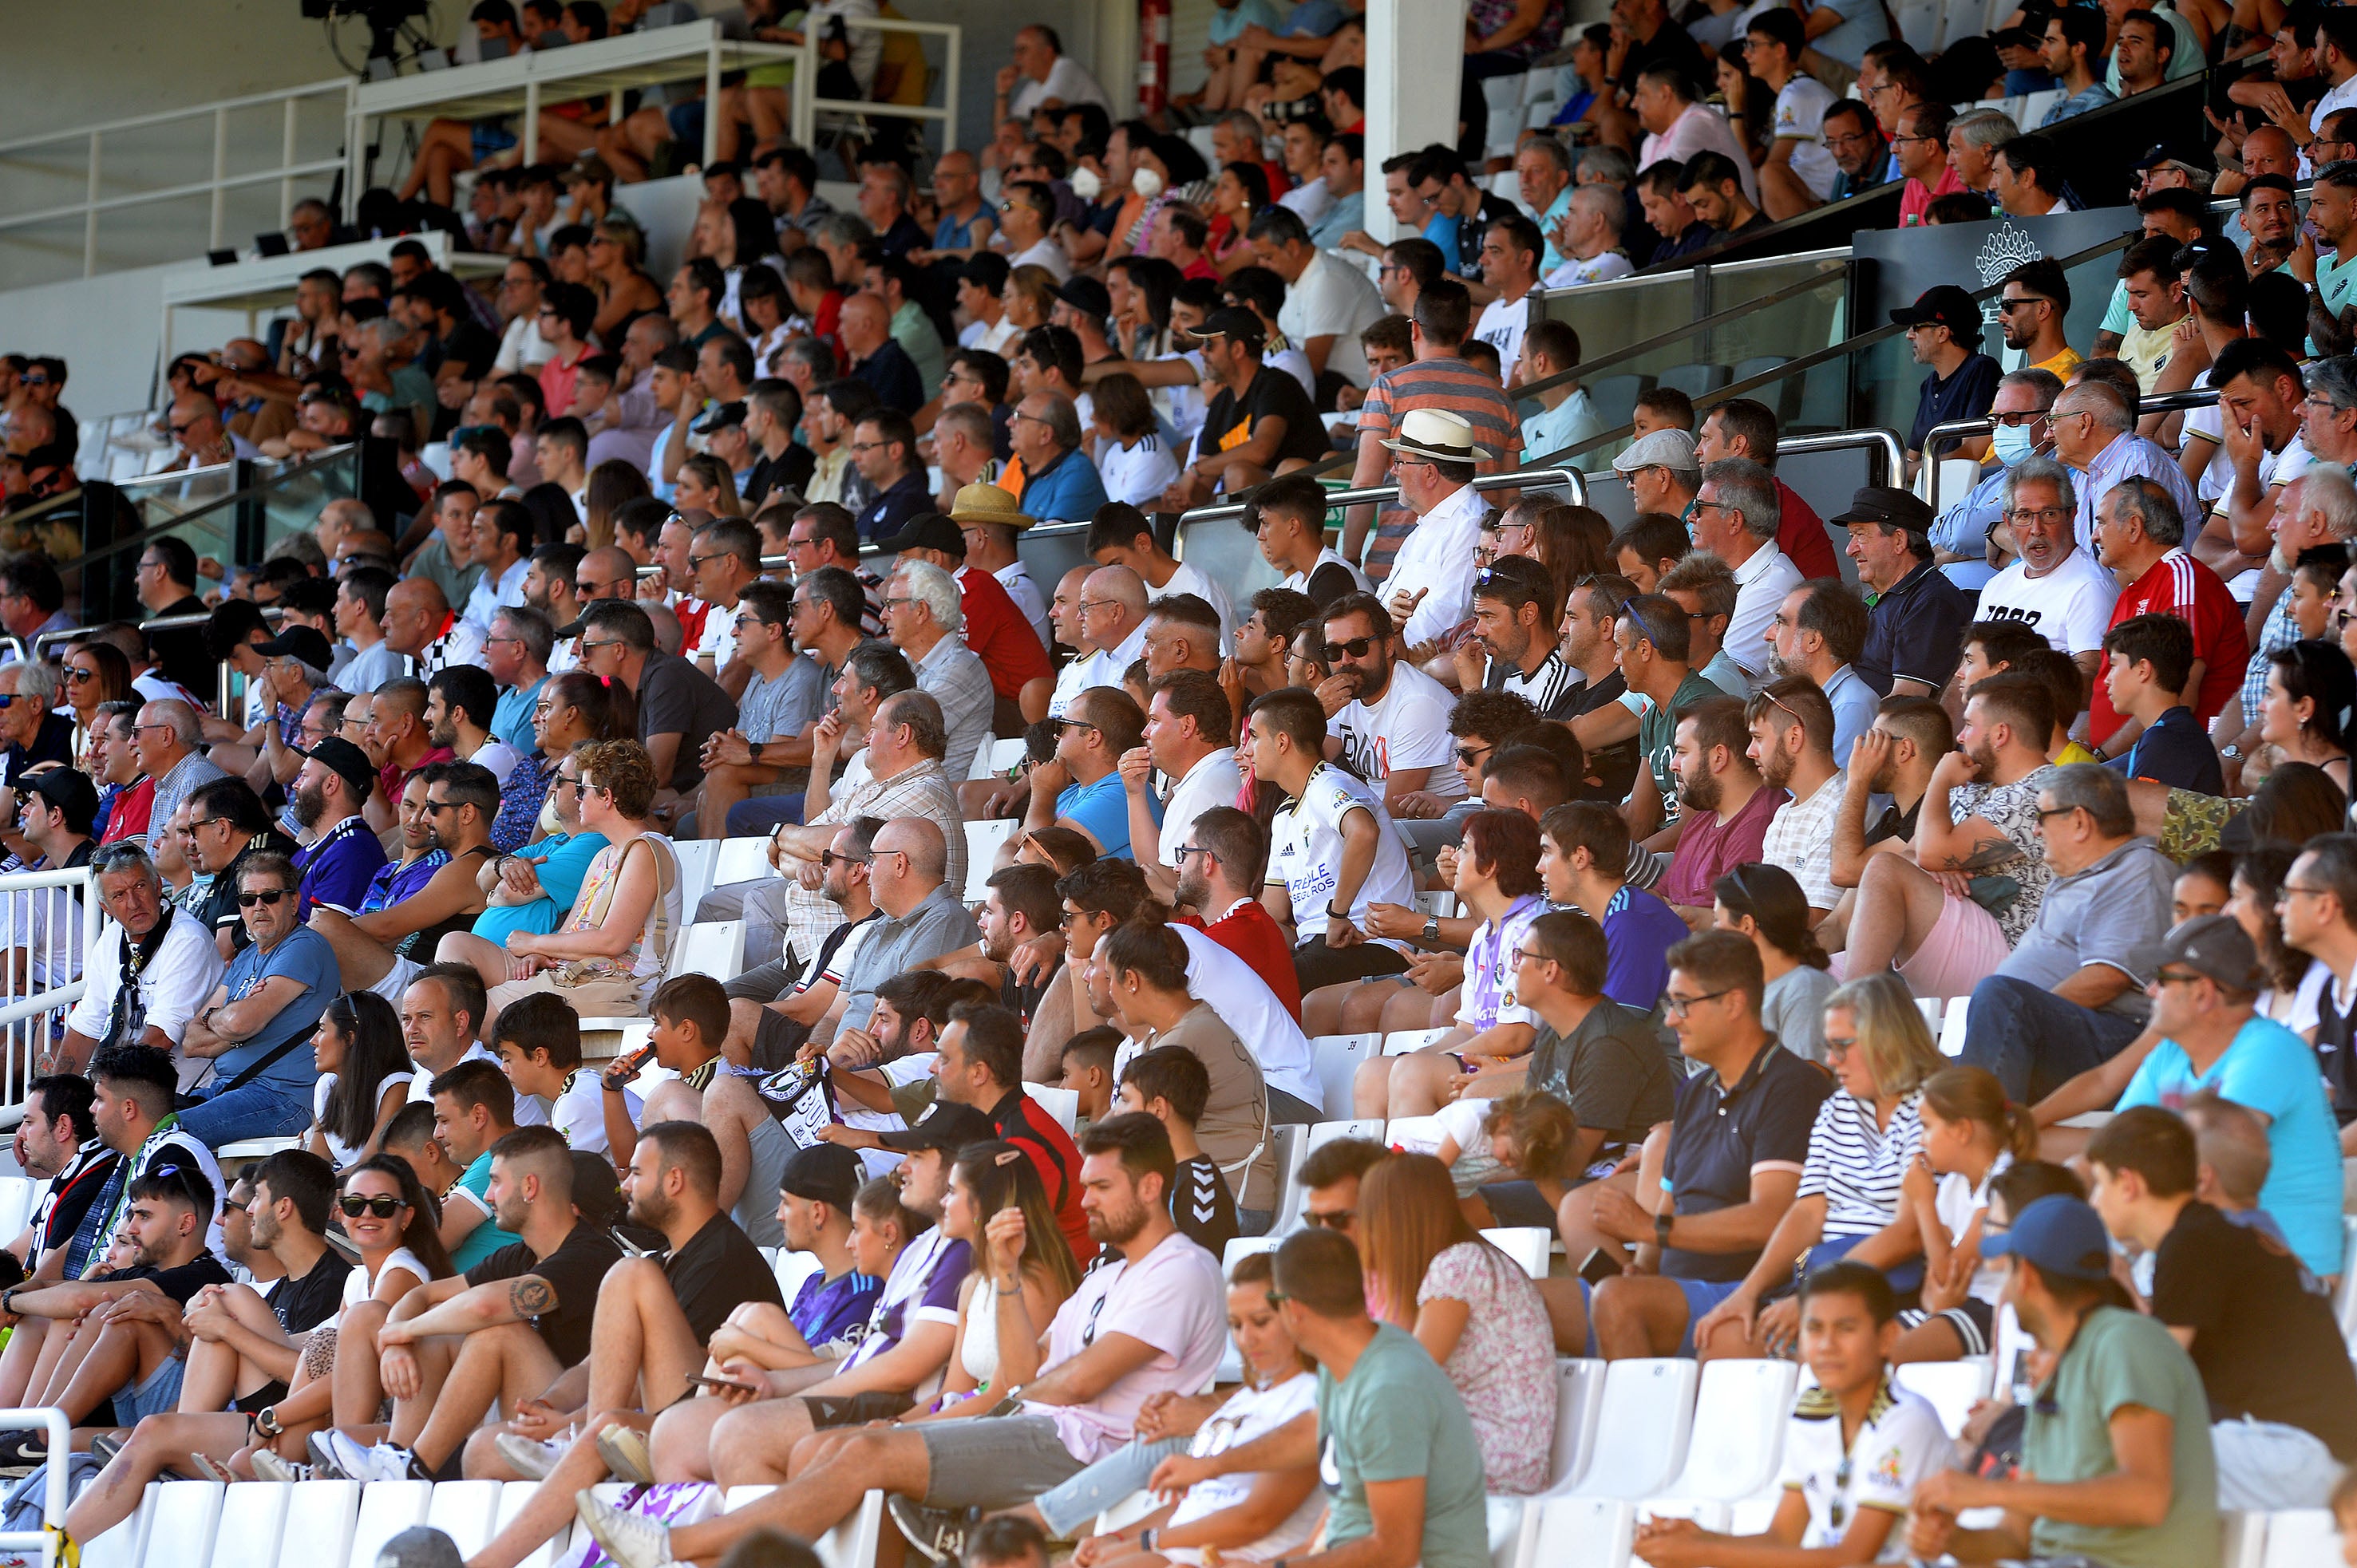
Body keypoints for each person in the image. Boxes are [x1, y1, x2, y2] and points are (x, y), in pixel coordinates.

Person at [578, 1112, 1228, 1568]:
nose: (1083, 1200)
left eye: (1101, 1186)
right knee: (847, 1451)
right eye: (1084, 1184)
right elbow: (1030, 1369)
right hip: (1039, 1429)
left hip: (1083, 1449)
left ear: (1150, 1186)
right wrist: (999, 1275)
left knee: (862, 1454)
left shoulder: (1181, 1268)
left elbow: (1072, 1381)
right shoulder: (1105, 1275)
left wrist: (1008, 1389)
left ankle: (675, 1545)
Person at [1137, 1227, 1489, 1568]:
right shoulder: (1352, 1364)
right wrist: (1211, 1466)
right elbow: (1309, 1431)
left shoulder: (1389, 1389)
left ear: (1293, 1309)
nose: (1247, 1338)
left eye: (1265, 1316)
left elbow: (1394, 1553)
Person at [1904, 1195, 2219, 1568]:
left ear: (2030, 1279)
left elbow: (2145, 1498)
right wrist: (1949, 1540)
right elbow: (2013, 1539)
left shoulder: (2124, 1341)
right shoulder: (2056, 1374)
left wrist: (1989, 1492)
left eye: (2010, 1272)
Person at [311, 1125, 624, 1483]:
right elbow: (424, 1295)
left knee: (497, 1332)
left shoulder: (589, 1254)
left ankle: (412, 1467)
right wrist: (398, 1339)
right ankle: (396, 1457)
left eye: (495, 1181)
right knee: (435, 1334)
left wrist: (402, 1329)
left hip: (570, 1419)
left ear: (529, 1187)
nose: (488, 1196)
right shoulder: (518, 1255)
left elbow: (487, 1308)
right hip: (524, 1405)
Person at [2086, 1104, 2357, 1507]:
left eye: (2098, 1183)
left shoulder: (2195, 1242)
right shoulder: (2208, 1233)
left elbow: (2150, 1383)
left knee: (2104, 1448)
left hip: (2302, 1453)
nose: (2093, 1200)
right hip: (2295, 1448)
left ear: (2128, 1184)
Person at [1580, 930, 1832, 1355]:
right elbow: (1671, 1199)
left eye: (1683, 1004)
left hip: (1742, 1291)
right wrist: (1642, 1266)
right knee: (1527, 1302)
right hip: (1674, 1291)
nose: (1670, 1019)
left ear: (1732, 1003)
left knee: (1616, 1303)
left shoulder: (1792, 1087)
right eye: (1669, 1004)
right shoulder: (1697, 1090)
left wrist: (1651, 1230)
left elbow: (1770, 1216)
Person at [1632, 1263, 1954, 1568]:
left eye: (1846, 1329)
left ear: (1887, 1338)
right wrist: (1698, 1537)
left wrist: (1702, 1551)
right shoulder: (1810, 1410)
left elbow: (1853, 1558)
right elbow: (1783, 1538)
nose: (1827, 1345)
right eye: (1814, 1329)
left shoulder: (1906, 1420)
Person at [1691, 972, 1943, 1360]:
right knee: (1723, 1338)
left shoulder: (1933, 1109)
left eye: (1843, 1046)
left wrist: (1816, 1297)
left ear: (1886, 1041)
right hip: (1831, 1278)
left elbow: (1909, 1233)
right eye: (1829, 1047)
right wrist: (1747, 1292)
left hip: (1897, 1287)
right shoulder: (1837, 1108)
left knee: (1777, 1350)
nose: (1830, 1060)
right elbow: (1808, 1211)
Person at [1037, 1250, 1322, 1568]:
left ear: (1297, 1314)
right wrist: (1116, 1538)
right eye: (1236, 1325)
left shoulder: (1312, 1400)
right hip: (1177, 1551)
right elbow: (1189, 1505)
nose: (1246, 1338)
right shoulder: (1248, 1398)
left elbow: (1256, 1519)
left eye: (1261, 1322)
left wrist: (1147, 1543)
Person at [1960, 764, 2178, 1103]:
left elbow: (2109, 976)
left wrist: (2026, 1013)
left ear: (2079, 822)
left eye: (2041, 817)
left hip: (2117, 1037)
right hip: (2059, 1031)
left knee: (2002, 997)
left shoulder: (2138, 869)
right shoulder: (2078, 876)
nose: (2035, 830)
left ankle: (1985, 1146)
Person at [1356, 1152, 1555, 1492]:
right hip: (1486, 1446)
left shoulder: (1458, 1266)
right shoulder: (1465, 1258)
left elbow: (1406, 1379)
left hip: (1499, 1456)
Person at [1248, 688, 1418, 993]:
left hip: (1372, 944)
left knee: (1263, 992)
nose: (1247, 750)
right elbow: (1272, 913)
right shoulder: (1284, 815)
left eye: (1254, 737)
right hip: (1320, 948)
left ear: (1282, 741)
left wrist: (1337, 914)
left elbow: (1364, 832)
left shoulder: (1329, 783)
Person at [176, 852, 338, 1145]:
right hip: (229, 1088)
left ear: (294, 902)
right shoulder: (245, 957)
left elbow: (239, 1021)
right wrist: (240, 1025)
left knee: (169, 1133)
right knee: (141, 1120)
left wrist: (221, 1018)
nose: (259, 907)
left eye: (271, 897)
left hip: (282, 1097)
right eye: (248, 900)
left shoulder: (304, 945)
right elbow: (191, 1042)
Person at [56, 843, 223, 1073]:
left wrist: (106, 1091)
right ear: (105, 906)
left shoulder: (187, 938)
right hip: (123, 1083)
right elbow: (86, 1025)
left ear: (157, 886)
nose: (134, 903)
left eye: (140, 886)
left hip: (177, 1092)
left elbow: (161, 1038)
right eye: (119, 895)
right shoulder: (112, 936)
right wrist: (57, 1095)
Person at [1113, 1046, 1240, 1256]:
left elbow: (1198, 1276)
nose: (1117, 1112)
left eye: (1125, 1100)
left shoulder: (1199, 1187)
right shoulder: (1146, 1177)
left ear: (1158, 1109)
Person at [2098, 614, 2224, 792]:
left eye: (2113, 666)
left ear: (2143, 669)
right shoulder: (2167, 734)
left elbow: (2145, 817)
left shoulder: (2166, 741)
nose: (2107, 680)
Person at [304, 990, 413, 1171]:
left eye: (322, 1029)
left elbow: (369, 1164)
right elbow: (316, 1161)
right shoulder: (327, 1085)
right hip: (344, 1187)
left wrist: (322, 1187)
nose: (313, 1041)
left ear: (350, 1037)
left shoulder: (397, 1086)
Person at [1891, 285, 2001, 463]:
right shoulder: (1929, 383)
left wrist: (1909, 470)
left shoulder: (1982, 369)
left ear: (1942, 333)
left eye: (1917, 327)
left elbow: (1971, 454)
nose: (1909, 335)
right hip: (1929, 487)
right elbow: (1913, 455)